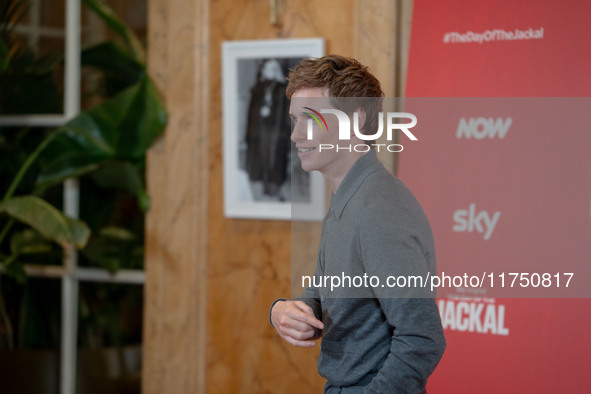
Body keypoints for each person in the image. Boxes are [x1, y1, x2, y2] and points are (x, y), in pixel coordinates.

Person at [269, 54, 446, 393]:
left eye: (309, 120)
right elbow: (327, 290)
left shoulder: (378, 210)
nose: (295, 136)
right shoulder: (348, 197)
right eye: (294, 121)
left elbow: (422, 339)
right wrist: (286, 311)